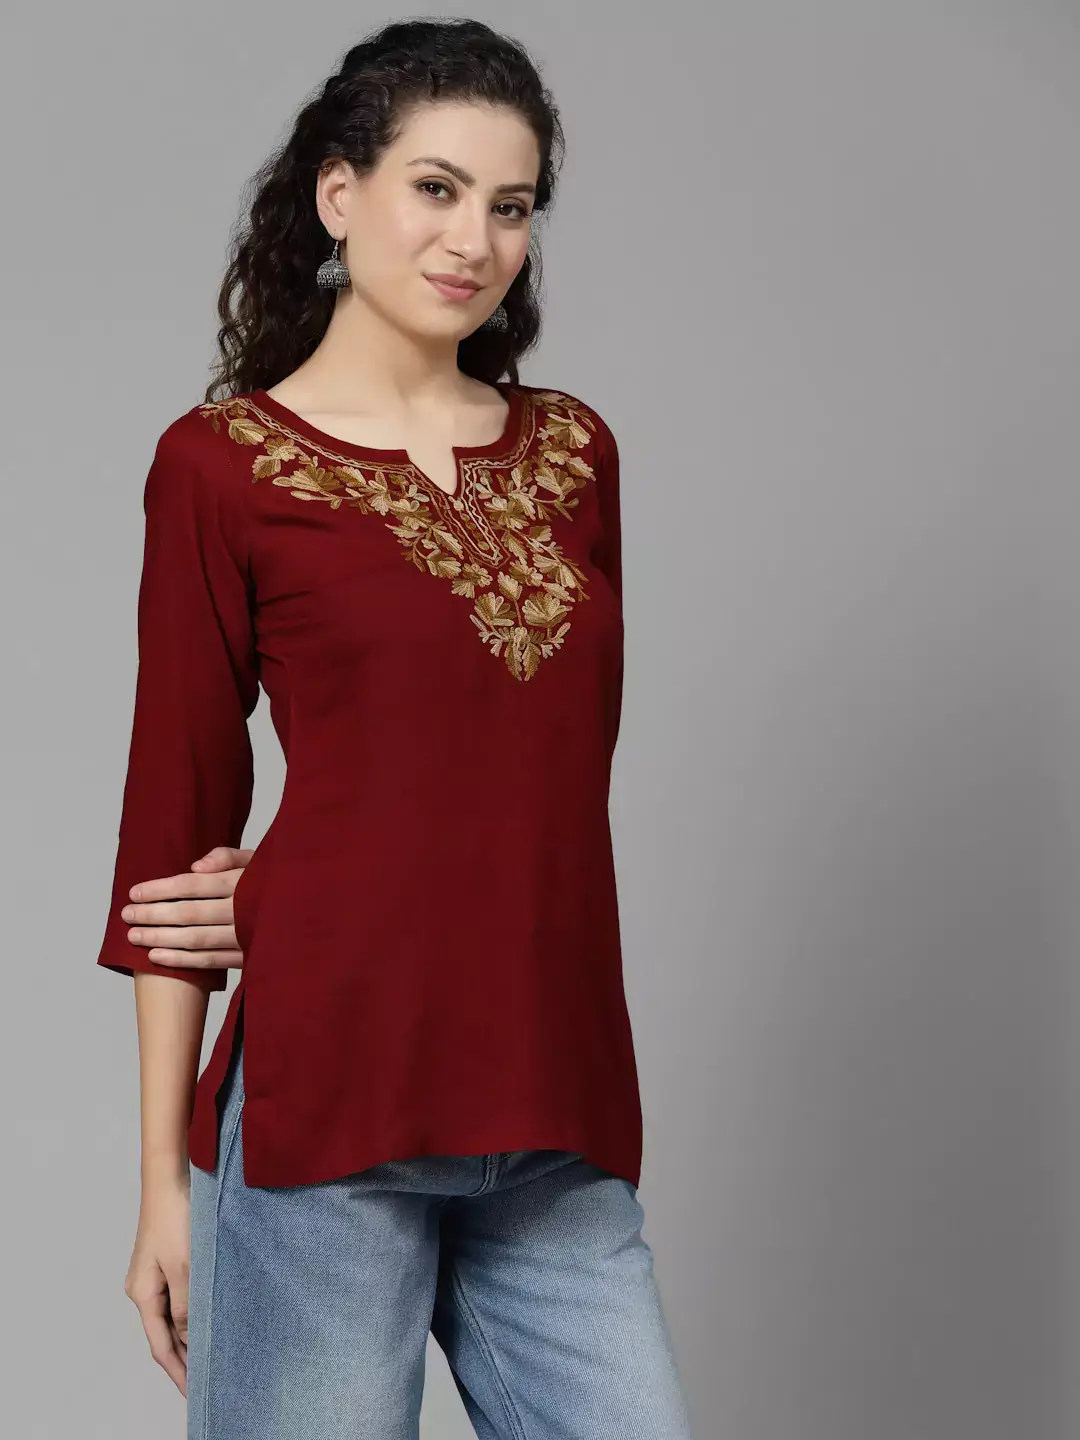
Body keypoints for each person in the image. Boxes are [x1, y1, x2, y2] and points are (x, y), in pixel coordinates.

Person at [97, 17, 694, 1440]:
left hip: (552, 1100)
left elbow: (534, 778)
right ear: (338, 194)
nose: (474, 240)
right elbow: (174, 828)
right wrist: (162, 1185)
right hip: (330, 1110)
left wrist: (329, 876)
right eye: (436, 188)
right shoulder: (223, 467)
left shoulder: (573, 453)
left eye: (511, 206)